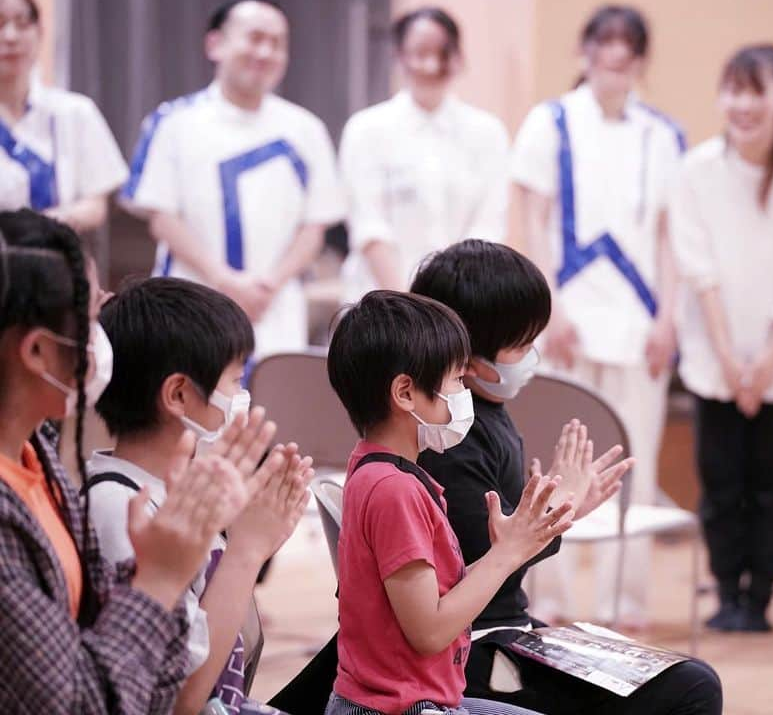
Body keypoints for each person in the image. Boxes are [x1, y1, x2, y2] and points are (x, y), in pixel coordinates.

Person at [412, 239, 723, 715]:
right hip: (477, 648)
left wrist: (562, 511)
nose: (533, 355)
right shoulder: (453, 438)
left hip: (502, 627)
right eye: (521, 345)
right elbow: (475, 576)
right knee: (693, 689)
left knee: (689, 679)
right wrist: (558, 513)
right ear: (469, 359)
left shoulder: (481, 411)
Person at [0, 208, 258, 714]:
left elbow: (143, 683)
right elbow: (84, 704)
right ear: (35, 352)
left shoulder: (41, 462)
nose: (104, 342)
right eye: (93, 319)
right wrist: (161, 576)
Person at [512, 3, 683, 627]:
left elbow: (670, 235)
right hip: (567, 321)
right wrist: (547, 309)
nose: (616, 54)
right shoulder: (549, 122)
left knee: (634, 456)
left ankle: (623, 602)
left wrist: (669, 318)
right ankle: (550, 599)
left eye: (628, 45)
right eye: (604, 42)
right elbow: (531, 219)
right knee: (556, 458)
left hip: (639, 327)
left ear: (640, 58)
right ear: (585, 51)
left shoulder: (662, 135)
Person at [325, 289, 570, 715]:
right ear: (405, 393)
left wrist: (508, 552)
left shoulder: (385, 470)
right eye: (456, 380)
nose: (464, 393)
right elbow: (430, 630)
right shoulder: (393, 490)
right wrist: (505, 556)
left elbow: (434, 596)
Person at [669, 44, 773, 633]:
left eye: (756, 91)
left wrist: (767, 360)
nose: (743, 105)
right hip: (716, 360)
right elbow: (698, 269)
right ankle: (726, 594)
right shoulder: (696, 169)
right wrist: (727, 355)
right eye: (733, 91)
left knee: (771, 487)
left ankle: (759, 596)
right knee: (719, 484)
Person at [87, 277, 313, 714]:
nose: (243, 397)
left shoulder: (181, 492)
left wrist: (254, 534)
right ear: (178, 395)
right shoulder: (118, 508)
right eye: (234, 380)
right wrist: (246, 550)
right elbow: (185, 699)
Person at [121, 0, 345, 358]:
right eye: (255, 38)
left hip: (275, 310)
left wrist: (267, 286)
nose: (265, 52)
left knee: (271, 408)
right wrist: (225, 280)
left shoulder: (306, 129)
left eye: (277, 44)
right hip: (191, 301)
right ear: (215, 43)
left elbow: (315, 226)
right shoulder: (173, 122)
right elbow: (162, 218)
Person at [339, 6, 509, 299]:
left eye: (443, 53)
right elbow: (369, 226)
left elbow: (488, 225)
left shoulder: (487, 132)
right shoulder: (366, 129)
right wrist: (411, 306)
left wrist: (452, 301)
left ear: (458, 58)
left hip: (461, 303)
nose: (431, 65)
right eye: (419, 53)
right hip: (381, 302)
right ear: (399, 56)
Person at [0, 0, 128, 233]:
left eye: (22, 23)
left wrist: (42, 226)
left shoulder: (75, 112)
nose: (10, 37)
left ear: (40, 32)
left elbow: (96, 203)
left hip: (57, 260)